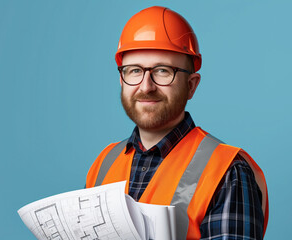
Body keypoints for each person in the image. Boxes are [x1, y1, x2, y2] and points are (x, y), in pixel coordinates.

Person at [86, 6, 269, 240]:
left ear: (191, 85)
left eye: (163, 71)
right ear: (121, 80)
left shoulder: (227, 171)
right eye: (134, 71)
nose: (146, 86)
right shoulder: (103, 164)